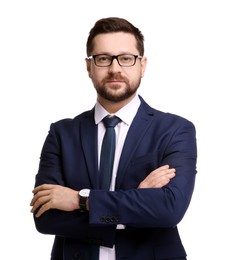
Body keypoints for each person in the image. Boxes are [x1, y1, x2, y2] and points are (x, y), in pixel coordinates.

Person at [30, 17, 197, 260]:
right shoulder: (62, 133)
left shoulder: (174, 130)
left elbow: (169, 209)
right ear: (89, 66)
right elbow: (45, 218)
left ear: (142, 65)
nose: (115, 68)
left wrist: (80, 200)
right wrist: (137, 202)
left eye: (126, 58)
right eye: (104, 58)